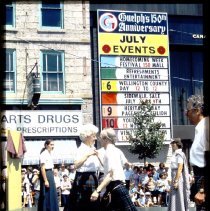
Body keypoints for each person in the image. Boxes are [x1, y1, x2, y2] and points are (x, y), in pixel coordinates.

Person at [90, 127, 137, 211]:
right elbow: (108, 168)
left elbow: (110, 175)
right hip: (115, 188)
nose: (99, 139)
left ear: (106, 139)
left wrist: (97, 190)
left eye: (100, 137)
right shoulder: (116, 150)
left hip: (116, 188)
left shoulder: (109, 152)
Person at [64, 123, 101, 211]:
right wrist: (87, 155)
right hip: (84, 179)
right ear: (87, 136)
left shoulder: (92, 148)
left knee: (92, 206)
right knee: (83, 205)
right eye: (94, 136)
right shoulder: (81, 149)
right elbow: (76, 165)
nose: (95, 138)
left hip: (92, 178)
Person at [186, 95, 209, 211]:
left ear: (198, 110)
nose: (186, 114)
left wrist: (202, 190)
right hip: (199, 178)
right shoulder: (200, 129)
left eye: (188, 111)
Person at [167, 138, 190, 211]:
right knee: (175, 194)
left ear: (176, 144)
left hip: (177, 176)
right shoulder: (176, 153)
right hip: (175, 175)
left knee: (178, 194)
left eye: (173, 143)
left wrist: (176, 180)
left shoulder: (179, 154)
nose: (172, 145)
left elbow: (180, 167)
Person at [38, 140, 59, 211]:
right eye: (51, 145)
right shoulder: (43, 154)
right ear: (46, 145)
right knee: (46, 194)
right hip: (46, 174)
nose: (52, 146)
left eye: (53, 145)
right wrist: (46, 180)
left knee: (52, 193)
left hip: (50, 173)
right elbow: (42, 168)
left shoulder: (49, 154)